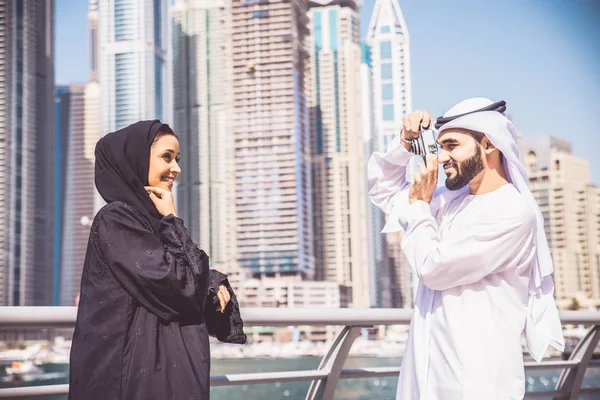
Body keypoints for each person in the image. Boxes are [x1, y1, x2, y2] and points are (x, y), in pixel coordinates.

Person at [368, 98, 565, 400]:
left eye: (451, 145)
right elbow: (384, 191)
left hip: (476, 381)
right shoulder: (450, 201)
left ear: (488, 144)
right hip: (426, 374)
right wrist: (406, 143)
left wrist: (420, 206)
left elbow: (434, 269)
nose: (442, 156)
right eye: (440, 146)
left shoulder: (511, 212)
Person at [69, 120, 246, 400]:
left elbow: (177, 272)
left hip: (153, 374)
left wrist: (212, 281)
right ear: (136, 160)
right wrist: (172, 220)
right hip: (124, 379)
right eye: (167, 157)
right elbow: (180, 284)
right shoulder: (116, 219)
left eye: (177, 159)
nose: (176, 168)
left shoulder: (149, 224)